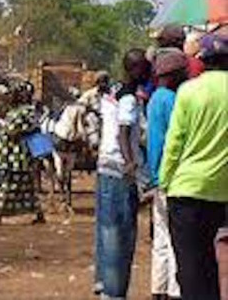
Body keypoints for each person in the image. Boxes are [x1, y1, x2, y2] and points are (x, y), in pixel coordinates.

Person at [159, 33, 228, 300]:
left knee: (189, 264)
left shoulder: (189, 91)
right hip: (220, 191)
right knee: (210, 262)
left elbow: (175, 142)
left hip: (185, 189)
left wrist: (163, 181)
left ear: (203, 60)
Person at [95, 49, 151, 299]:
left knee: (106, 231)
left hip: (105, 167)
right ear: (137, 69)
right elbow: (124, 131)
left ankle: (104, 284)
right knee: (121, 235)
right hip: (120, 171)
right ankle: (115, 292)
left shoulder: (112, 92)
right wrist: (130, 162)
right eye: (145, 67)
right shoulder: (128, 98)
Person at [147, 50, 188, 300]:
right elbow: (174, 140)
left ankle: (157, 288)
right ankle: (174, 290)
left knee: (160, 238)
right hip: (172, 174)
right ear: (174, 74)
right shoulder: (173, 100)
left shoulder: (154, 99)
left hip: (157, 174)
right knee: (176, 239)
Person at [0, 81, 44, 225]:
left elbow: (28, 128)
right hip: (8, 153)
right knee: (26, 186)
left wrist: (11, 130)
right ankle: (39, 213)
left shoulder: (28, 111)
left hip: (18, 155)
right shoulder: (13, 111)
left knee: (10, 183)